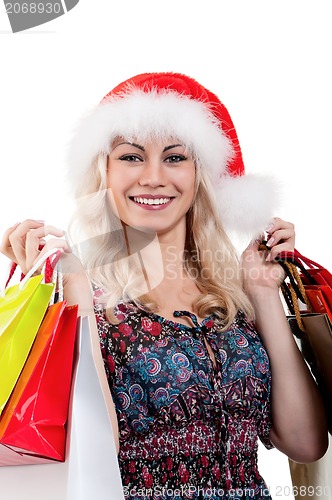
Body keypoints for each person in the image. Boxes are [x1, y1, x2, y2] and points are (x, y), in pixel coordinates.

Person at [0, 72, 328, 499]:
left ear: (202, 175)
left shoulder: (233, 297)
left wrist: (264, 295)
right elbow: (89, 465)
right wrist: (76, 289)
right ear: (105, 171)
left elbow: (306, 444)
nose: (153, 177)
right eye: (132, 157)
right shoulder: (76, 293)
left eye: (175, 158)